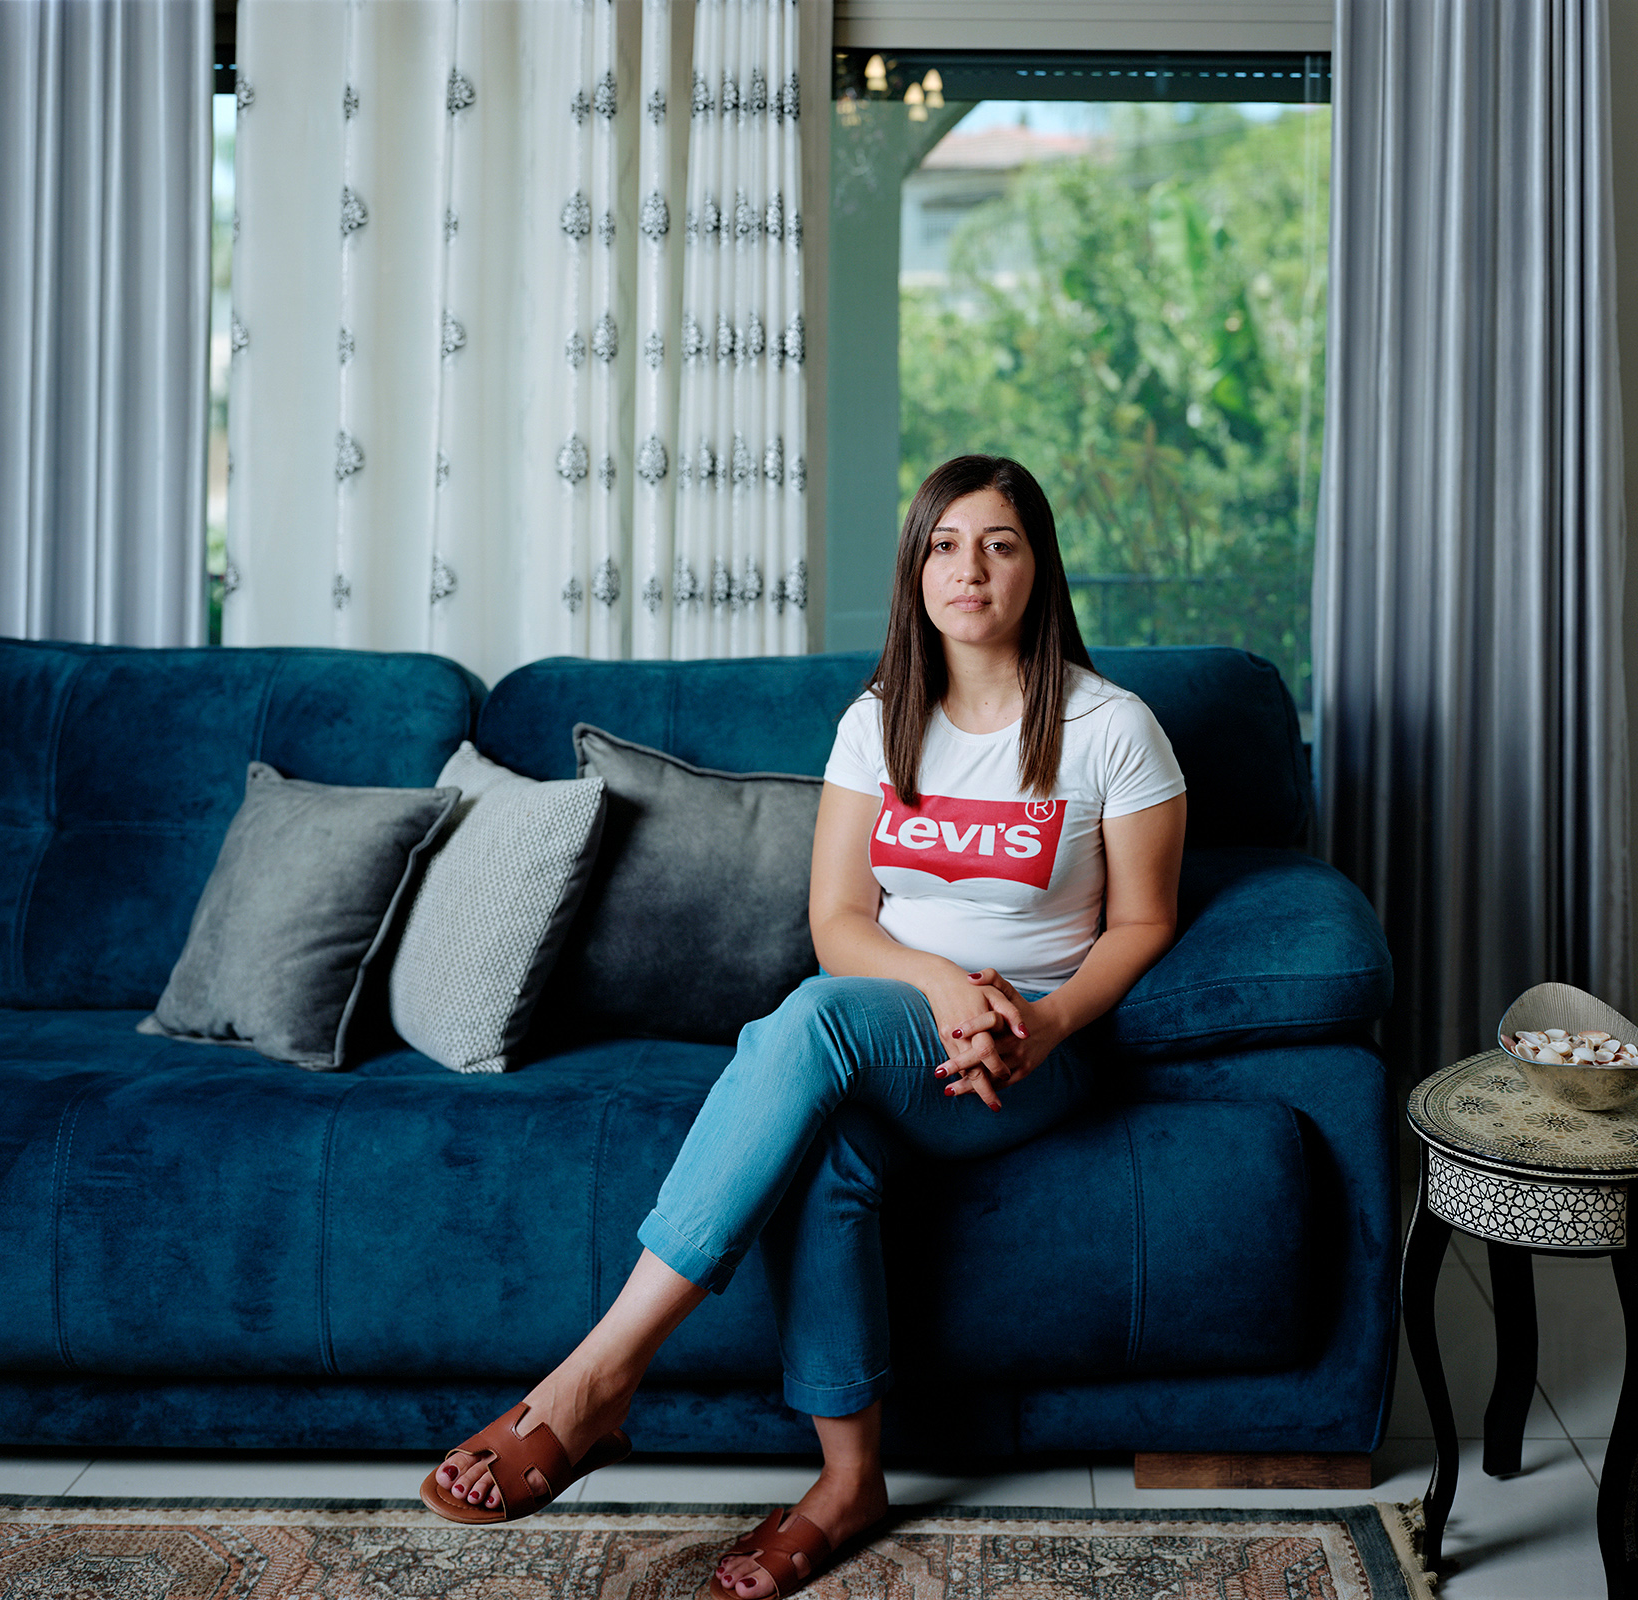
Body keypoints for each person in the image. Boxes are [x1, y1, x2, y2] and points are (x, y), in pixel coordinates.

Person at [419, 454, 1188, 1599]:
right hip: (900, 1025)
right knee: (821, 1100)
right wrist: (935, 983)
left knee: (805, 1027)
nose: (966, 567)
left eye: (998, 543)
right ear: (913, 567)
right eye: (942, 544)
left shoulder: (1109, 727)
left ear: (1038, 567)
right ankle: (847, 1482)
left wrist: (1041, 1019)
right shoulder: (879, 720)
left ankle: (594, 1381)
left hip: (1027, 1058)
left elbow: (1141, 920)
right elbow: (837, 921)